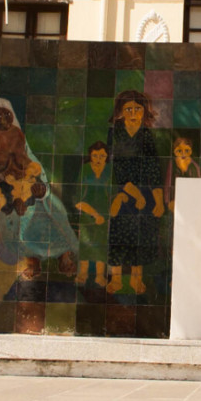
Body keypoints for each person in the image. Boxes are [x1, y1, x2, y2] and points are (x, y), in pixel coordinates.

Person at [0, 98, 77, 279]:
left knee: (51, 211)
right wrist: (3, 190)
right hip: (7, 191)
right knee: (15, 220)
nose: (4, 122)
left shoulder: (17, 136)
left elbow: (33, 165)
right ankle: (32, 259)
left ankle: (63, 255)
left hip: (29, 187)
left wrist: (38, 186)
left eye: (6, 118)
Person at [106, 90, 164, 294]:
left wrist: (158, 199)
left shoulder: (146, 134)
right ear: (120, 112)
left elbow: (153, 167)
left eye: (137, 109)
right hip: (123, 193)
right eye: (128, 109)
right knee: (119, 236)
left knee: (141, 237)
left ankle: (136, 279)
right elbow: (118, 169)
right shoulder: (116, 133)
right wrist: (135, 194)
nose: (133, 113)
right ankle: (116, 279)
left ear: (144, 111)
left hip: (145, 192)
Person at [74, 141, 113, 287]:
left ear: (106, 157)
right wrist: (95, 214)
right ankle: (82, 274)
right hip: (86, 211)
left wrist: (105, 214)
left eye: (102, 156)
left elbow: (113, 193)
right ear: (90, 155)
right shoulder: (85, 169)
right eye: (95, 155)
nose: (98, 159)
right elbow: (78, 198)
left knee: (101, 245)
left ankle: (99, 276)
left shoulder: (109, 170)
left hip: (104, 213)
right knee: (85, 243)